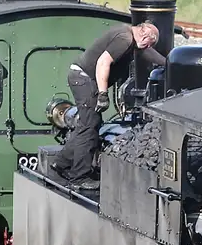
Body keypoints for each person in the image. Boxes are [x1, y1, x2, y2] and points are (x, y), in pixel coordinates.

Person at [52, 22, 166, 190]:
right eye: (151, 42)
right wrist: (103, 94)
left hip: (81, 76)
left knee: (88, 124)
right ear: (144, 35)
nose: (149, 47)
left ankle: (62, 163)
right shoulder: (124, 39)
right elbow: (103, 63)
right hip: (85, 79)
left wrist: (168, 63)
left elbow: (147, 52)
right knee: (90, 126)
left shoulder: (131, 36)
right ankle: (79, 177)